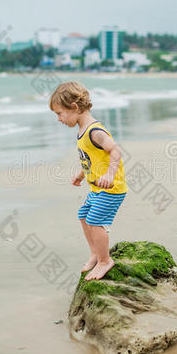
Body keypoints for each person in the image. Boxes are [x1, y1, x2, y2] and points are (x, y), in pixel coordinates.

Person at [49, 81, 128, 281]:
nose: (58, 119)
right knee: (84, 215)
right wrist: (81, 174)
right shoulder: (82, 131)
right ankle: (95, 253)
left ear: (74, 107)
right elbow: (91, 159)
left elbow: (115, 150)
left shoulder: (94, 131)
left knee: (95, 221)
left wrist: (110, 174)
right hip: (96, 188)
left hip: (112, 188)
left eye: (59, 113)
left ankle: (105, 261)